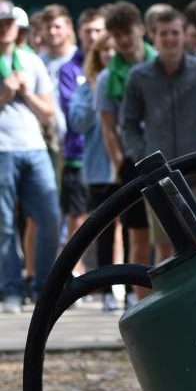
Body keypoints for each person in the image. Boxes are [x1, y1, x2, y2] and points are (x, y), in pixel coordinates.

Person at [120, 7, 196, 266]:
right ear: (153, 36)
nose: (170, 38)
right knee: (166, 253)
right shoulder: (139, 77)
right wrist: (143, 156)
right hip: (160, 179)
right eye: (164, 33)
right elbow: (128, 124)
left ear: (185, 35)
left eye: (175, 32)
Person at [0, 0, 60, 313]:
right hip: (2, 151)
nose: (5, 28)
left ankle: (44, 287)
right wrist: (4, 93)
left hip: (34, 147)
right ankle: (10, 289)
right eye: (1, 23)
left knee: (50, 217)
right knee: (4, 225)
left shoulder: (31, 61)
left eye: (9, 22)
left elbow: (48, 112)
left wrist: (24, 92)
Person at [96, 0, 154, 273]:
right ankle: (136, 296)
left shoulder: (161, 64)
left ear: (141, 29)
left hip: (165, 153)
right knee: (138, 233)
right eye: (116, 36)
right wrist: (120, 162)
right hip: (132, 160)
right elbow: (108, 127)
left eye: (127, 32)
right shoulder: (107, 78)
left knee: (170, 233)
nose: (123, 40)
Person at [68, 30, 120, 307]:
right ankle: (107, 291)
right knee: (104, 230)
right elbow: (77, 123)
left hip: (126, 164)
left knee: (134, 230)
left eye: (114, 50)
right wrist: (93, 92)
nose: (110, 55)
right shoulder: (86, 87)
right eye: (104, 51)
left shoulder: (127, 79)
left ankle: (132, 288)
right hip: (99, 168)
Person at [42, 3, 88, 244]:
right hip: (47, 144)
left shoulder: (83, 58)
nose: (52, 32)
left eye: (57, 26)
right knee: (46, 211)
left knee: (78, 213)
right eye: (48, 27)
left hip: (76, 147)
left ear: (69, 28)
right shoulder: (38, 60)